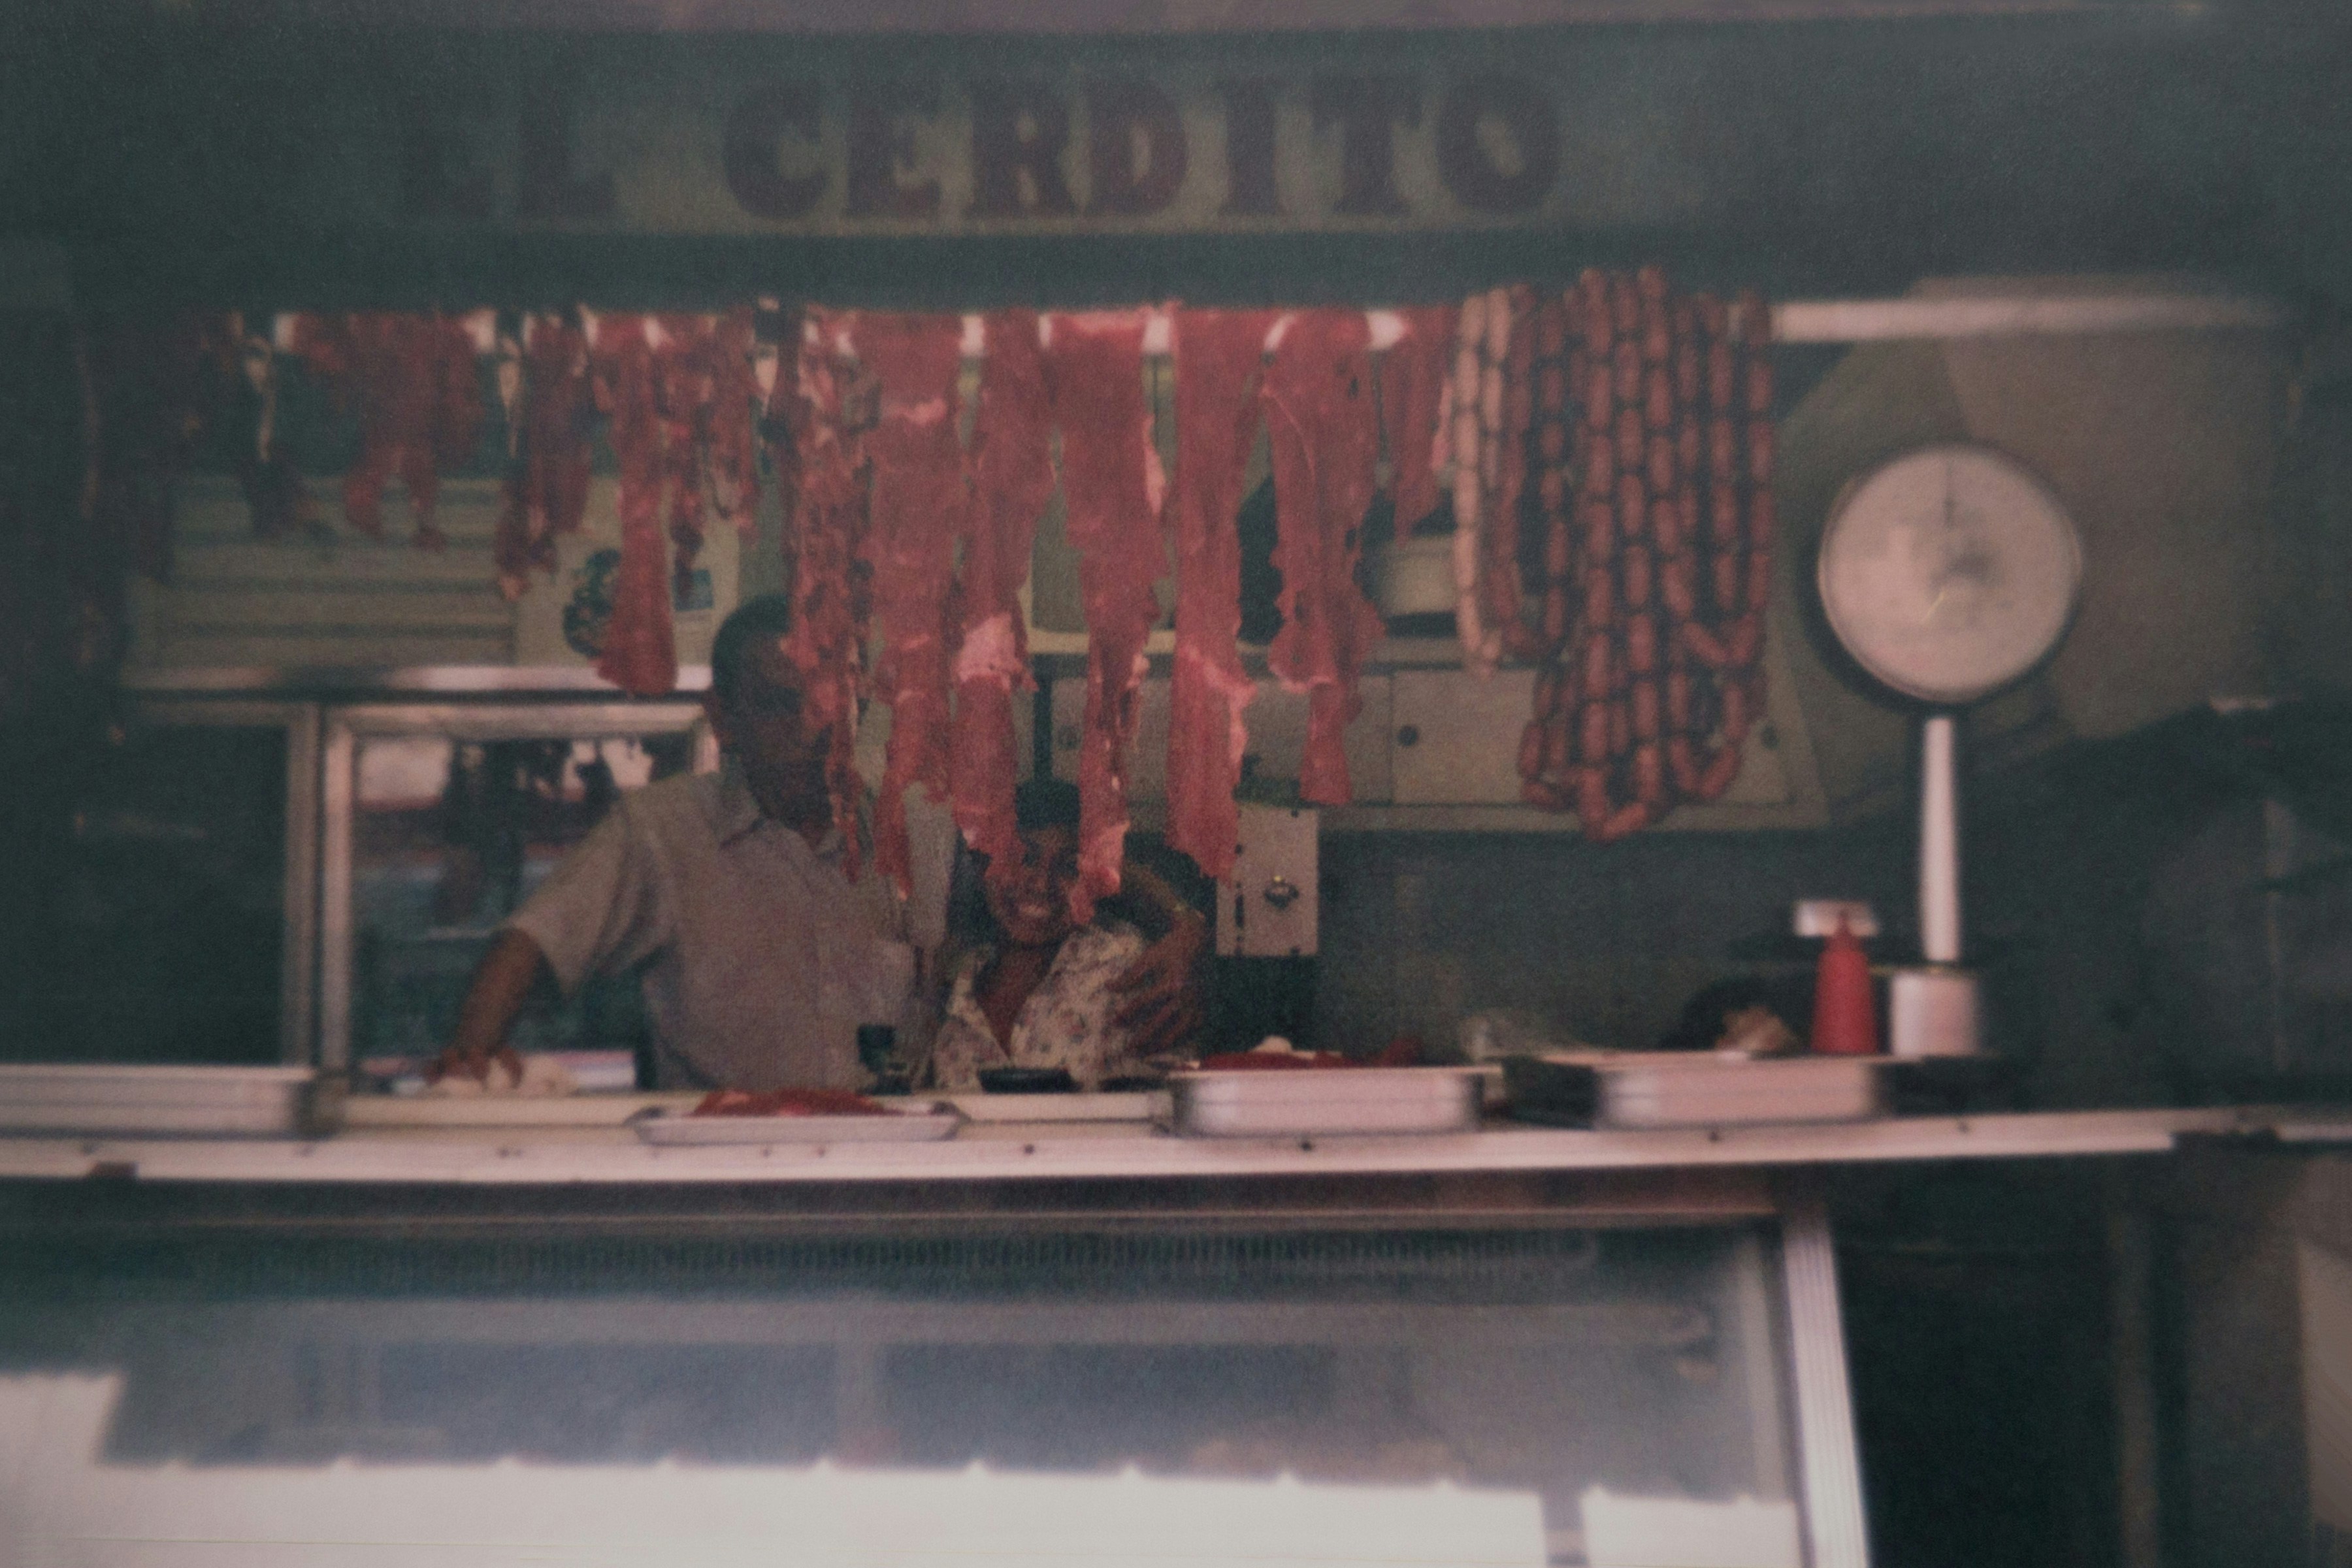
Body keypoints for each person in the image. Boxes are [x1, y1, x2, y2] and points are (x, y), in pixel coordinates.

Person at [433, 593, 1206, 1091]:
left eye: (827, 703)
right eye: (778, 705)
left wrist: (1183, 927)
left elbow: (1052, 863)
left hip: (892, 1192)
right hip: (731, 1199)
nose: (811, 730)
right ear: (724, 717)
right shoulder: (661, 835)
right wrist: (470, 1064)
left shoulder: (914, 827)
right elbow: (531, 943)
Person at [926, 779, 1158, 1092]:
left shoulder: (1119, 961)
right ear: (984, 867)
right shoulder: (951, 984)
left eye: (1067, 867)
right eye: (1025, 858)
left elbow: (1171, 1096)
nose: (1041, 884)